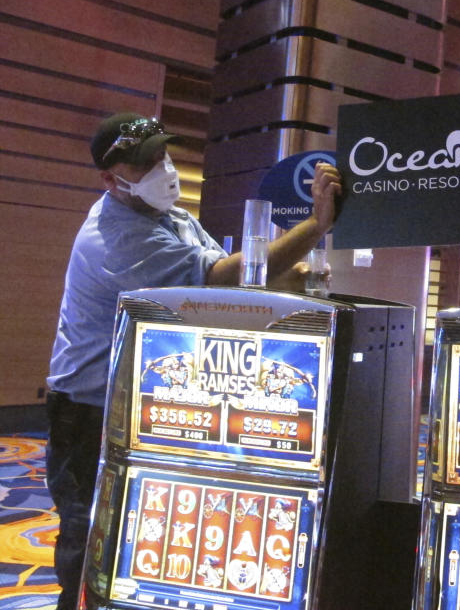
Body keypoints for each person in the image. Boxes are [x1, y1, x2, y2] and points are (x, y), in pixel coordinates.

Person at [44, 112, 341, 610]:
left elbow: (243, 281)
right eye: (144, 164)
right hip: (88, 407)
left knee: (143, 523)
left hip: (142, 397)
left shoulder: (173, 218)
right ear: (109, 177)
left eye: (162, 155)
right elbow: (223, 280)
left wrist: (302, 278)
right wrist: (315, 226)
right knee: (91, 529)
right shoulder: (115, 236)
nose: (163, 168)